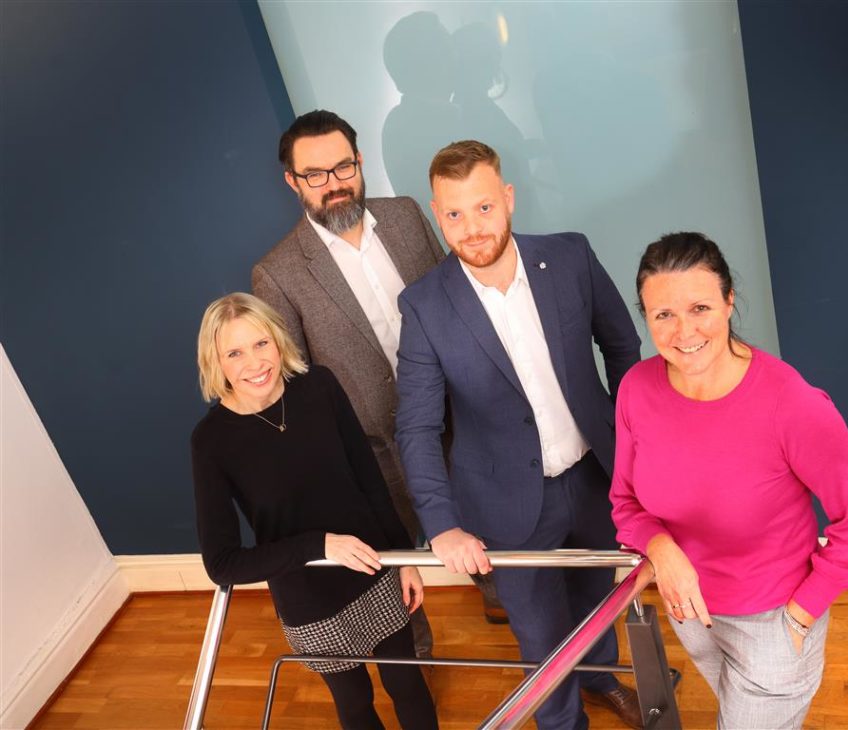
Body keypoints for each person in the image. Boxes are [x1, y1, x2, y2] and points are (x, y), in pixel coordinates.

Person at [395, 140, 644, 730]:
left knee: (597, 602)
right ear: (436, 214)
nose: (471, 228)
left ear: (508, 199)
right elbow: (418, 425)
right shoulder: (425, 306)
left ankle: (602, 679)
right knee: (538, 632)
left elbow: (623, 347)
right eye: (453, 214)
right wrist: (442, 523)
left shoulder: (571, 257)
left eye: (483, 208)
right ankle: (561, 722)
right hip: (504, 501)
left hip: (593, 477)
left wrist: (636, 447)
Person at [609, 233, 848, 729]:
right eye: (663, 315)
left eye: (699, 307)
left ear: (729, 301)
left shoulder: (792, 403)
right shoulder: (636, 389)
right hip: (690, 614)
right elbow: (625, 502)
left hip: (772, 623)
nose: (683, 331)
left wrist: (801, 614)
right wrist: (662, 548)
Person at [252, 110, 507, 641]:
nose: (334, 184)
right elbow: (299, 388)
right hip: (372, 451)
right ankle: (418, 656)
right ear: (292, 182)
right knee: (393, 571)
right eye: (315, 175)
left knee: (490, 533)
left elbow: (457, 298)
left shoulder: (408, 215)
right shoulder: (277, 273)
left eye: (343, 167)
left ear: (359, 161)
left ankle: (505, 604)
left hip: (456, 419)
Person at [191, 293, 437, 730]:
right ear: (216, 363)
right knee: (356, 703)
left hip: (374, 572)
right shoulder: (211, 442)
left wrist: (405, 559)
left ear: (278, 340)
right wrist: (319, 544)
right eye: (234, 352)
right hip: (310, 601)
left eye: (261, 343)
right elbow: (222, 564)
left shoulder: (319, 386)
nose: (254, 363)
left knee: (407, 684)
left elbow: (369, 477)